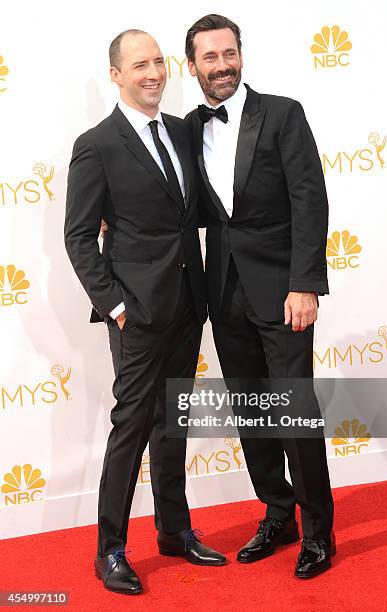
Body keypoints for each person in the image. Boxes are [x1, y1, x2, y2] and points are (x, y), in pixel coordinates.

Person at [64, 29, 226, 596]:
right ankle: (110, 547)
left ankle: (175, 529)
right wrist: (115, 307)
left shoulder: (181, 130)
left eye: (158, 62)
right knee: (130, 426)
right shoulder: (97, 144)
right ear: (116, 74)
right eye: (140, 65)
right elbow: (79, 237)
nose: (153, 73)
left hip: (188, 303)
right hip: (136, 312)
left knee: (172, 420)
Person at [185, 14, 335, 579]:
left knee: (294, 412)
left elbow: (309, 199)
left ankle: (318, 530)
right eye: (209, 57)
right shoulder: (189, 128)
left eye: (229, 53)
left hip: (284, 293)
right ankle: (278, 512)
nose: (221, 65)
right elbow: (188, 205)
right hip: (224, 293)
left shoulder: (282, 113)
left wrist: (305, 284)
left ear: (240, 55)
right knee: (251, 411)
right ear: (194, 66)